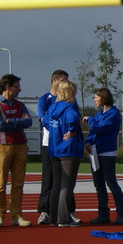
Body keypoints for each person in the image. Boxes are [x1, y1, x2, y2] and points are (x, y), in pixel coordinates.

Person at [0, 74, 33, 227]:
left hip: (20, 145)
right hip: (2, 147)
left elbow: (29, 122)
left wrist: (11, 121)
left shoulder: (19, 105)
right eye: (17, 87)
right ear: (7, 87)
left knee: (18, 184)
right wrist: (18, 124)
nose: (19, 90)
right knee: (0, 184)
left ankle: (16, 216)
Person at [36, 70, 81, 225]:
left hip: (54, 149)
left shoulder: (53, 108)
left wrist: (56, 130)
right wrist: (71, 131)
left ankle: (53, 217)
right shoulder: (69, 108)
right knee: (66, 185)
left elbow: (45, 121)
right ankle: (63, 217)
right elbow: (73, 120)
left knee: (55, 184)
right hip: (68, 149)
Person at [83, 88, 123, 225]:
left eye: (96, 97)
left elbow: (99, 128)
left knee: (111, 183)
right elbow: (93, 132)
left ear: (103, 98)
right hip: (96, 152)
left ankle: (121, 213)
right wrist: (88, 142)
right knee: (99, 184)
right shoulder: (99, 114)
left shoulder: (113, 114)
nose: (94, 100)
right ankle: (103, 214)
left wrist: (89, 119)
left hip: (107, 152)